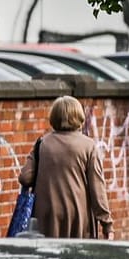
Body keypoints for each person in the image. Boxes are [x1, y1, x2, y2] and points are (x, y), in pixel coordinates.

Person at [19, 95, 112, 238]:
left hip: (47, 218)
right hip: (78, 218)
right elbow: (97, 189)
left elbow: (25, 177)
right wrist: (107, 224)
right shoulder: (88, 146)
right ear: (78, 117)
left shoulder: (42, 143)